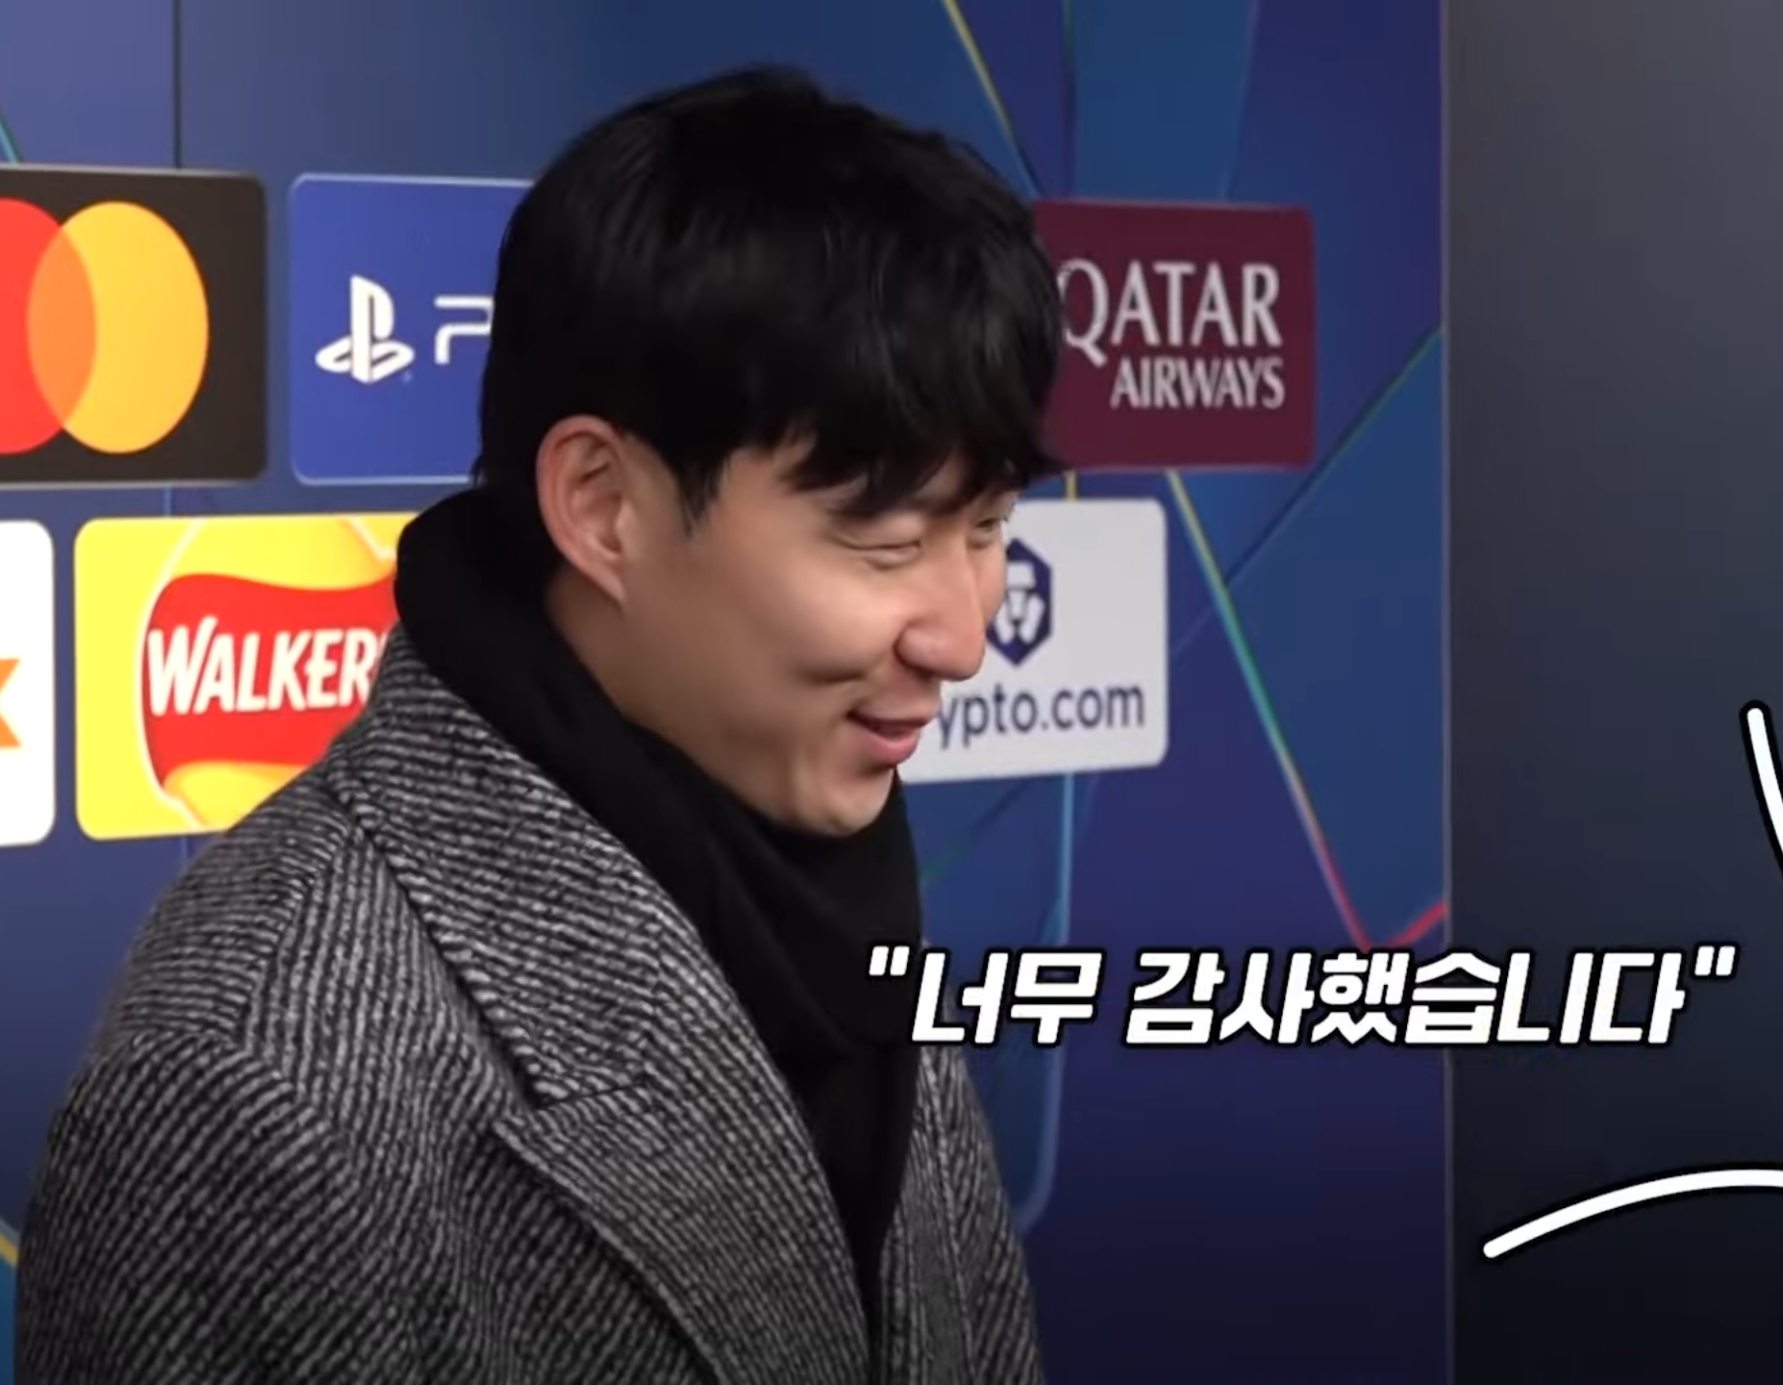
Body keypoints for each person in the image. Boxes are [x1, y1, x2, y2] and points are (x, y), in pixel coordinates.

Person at [15, 65, 1060, 1384]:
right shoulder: (249, 1084)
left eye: (989, 527)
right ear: (604, 506)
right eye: (887, 540)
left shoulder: (828, 886)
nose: (962, 635)